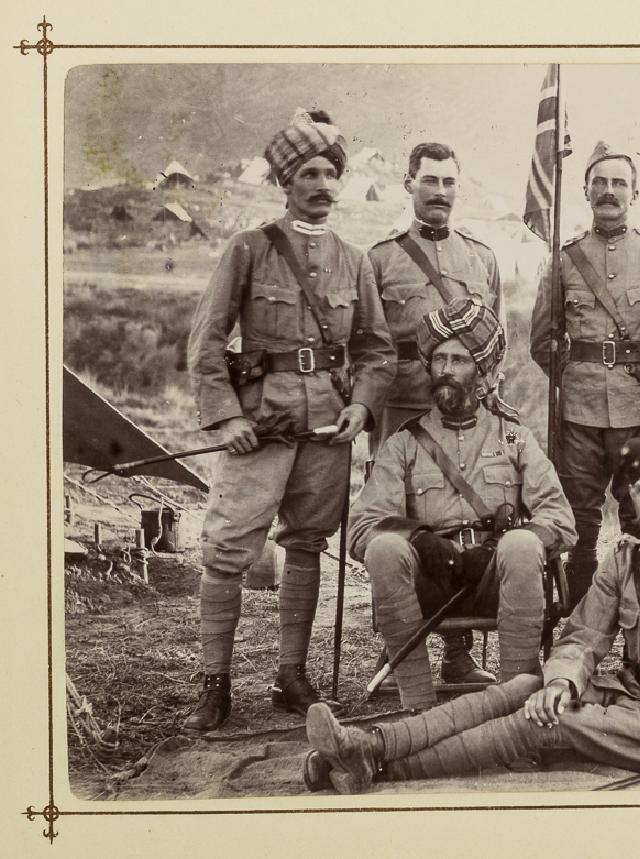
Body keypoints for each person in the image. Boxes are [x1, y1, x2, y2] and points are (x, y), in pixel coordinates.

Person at [303, 439, 640, 792]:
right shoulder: (625, 559)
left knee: (539, 723)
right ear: (632, 500)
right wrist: (561, 680)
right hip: (628, 696)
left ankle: (376, 764)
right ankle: (365, 746)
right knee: (521, 689)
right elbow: (582, 636)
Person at [184, 109, 395, 732]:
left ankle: (290, 676)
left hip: (326, 430)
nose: (322, 185)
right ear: (286, 181)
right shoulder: (249, 249)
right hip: (260, 428)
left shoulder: (354, 260)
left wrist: (361, 406)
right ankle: (214, 683)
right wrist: (225, 417)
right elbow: (206, 338)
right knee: (227, 551)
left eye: (331, 173)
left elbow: (377, 350)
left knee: (306, 544)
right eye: (309, 173)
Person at [345, 298, 576, 712]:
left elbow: (559, 519)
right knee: (384, 548)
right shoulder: (403, 444)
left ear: (482, 371)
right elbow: (362, 526)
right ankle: (417, 707)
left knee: (523, 546)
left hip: (495, 581)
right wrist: (418, 539)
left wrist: (506, 544)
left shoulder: (514, 438)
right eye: (439, 359)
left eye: (459, 360)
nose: (446, 369)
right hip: (429, 583)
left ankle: (515, 703)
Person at [530, 141, 640, 602]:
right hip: (578, 414)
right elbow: (541, 341)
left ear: (634, 193)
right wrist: (571, 379)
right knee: (578, 519)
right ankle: (580, 613)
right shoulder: (564, 259)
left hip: (639, 413)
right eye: (599, 182)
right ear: (585, 190)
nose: (609, 190)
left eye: (619, 183)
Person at [367, 142, 503, 683]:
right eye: (429, 180)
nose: (439, 192)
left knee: (461, 514)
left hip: (465, 409)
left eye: (448, 182)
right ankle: (397, 642)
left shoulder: (481, 257)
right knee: (399, 519)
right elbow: (368, 344)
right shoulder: (380, 259)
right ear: (409, 185)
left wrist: (488, 390)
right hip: (403, 404)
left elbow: (494, 341)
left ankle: (457, 654)